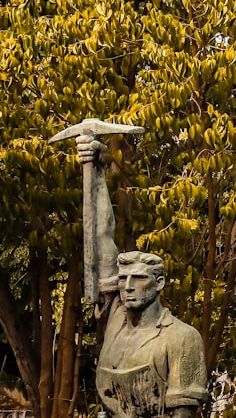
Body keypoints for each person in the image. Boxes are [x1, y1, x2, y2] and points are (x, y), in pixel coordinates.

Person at [76, 135, 208, 418]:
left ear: (159, 283)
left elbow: (182, 414)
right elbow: (101, 239)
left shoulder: (182, 339)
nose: (127, 287)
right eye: (123, 279)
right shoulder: (116, 321)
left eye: (138, 279)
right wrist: (96, 171)